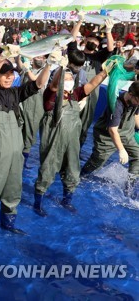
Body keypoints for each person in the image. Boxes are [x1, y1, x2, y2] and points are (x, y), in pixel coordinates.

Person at [0, 45, 51, 247]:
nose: (8, 78)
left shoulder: (16, 93)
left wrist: (50, 64)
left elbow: (39, 84)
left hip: (15, 151)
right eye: (4, 74)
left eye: (11, 74)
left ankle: (8, 224)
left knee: (14, 189)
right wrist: (2, 57)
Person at [33, 56, 114, 216]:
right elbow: (55, 85)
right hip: (53, 144)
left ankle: (67, 200)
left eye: (71, 78)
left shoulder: (75, 95)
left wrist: (105, 73)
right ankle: (37, 203)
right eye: (66, 79)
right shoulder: (50, 98)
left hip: (71, 143)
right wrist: (62, 69)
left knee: (72, 170)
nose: (69, 81)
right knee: (47, 171)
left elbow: (91, 85)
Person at [82, 81, 138, 195]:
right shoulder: (117, 105)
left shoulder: (136, 101)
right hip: (106, 136)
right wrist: (122, 150)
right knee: (97, 162)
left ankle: (129, 186)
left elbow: (136, 115)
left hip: (126, 133)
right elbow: (112, 130)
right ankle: (81, 176)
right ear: (131, 94)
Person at [71, 12, 115, 147]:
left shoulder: (98, 56)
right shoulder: (76, 54)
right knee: (70, 118)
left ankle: (78, 147)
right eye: (90, 39)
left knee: (85, 122)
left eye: (96, 41)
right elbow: (71, 40)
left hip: (91, 94)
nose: (93, 42)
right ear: (84, 40)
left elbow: (110, 48)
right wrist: (79, 22)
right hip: (74, 91)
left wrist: (108, 32)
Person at [17, 54, 51, 166]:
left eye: (42, 57)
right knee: (18, 130)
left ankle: (23, 160)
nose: (40, 59)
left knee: (29, 132)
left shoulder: (45, 71)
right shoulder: (28, 68)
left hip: (36, 106)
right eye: (38, 57)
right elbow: (19, 66)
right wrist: (18, 55)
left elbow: (35, 80)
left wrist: (26, 69)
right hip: (22, 103)